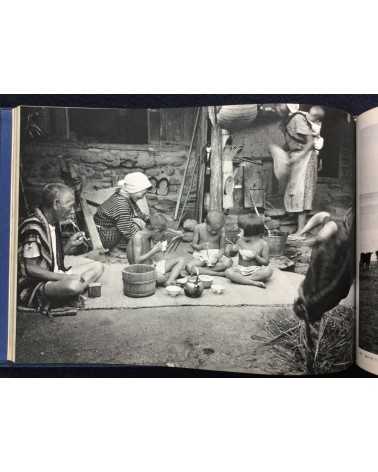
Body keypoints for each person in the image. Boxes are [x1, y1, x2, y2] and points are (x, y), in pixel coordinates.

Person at [18, 183, 104, 315]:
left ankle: (66, 292)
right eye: (70, 205)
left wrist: (69, 245)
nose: (73, 210)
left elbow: (51, 258)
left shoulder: (53, 223)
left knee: (98, 266)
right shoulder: (33, 227)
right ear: (56, 204)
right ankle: (67, 293)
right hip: (34, 284)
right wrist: (62, 278)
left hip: (54, 273)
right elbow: (31, 268)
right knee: (72, 285)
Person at [280, 106, 325, 235]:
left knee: (302, 192)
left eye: (279, 105)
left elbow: (310, 142)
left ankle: (301, 230)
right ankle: (299, 226)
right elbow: (294, 140)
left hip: (305, 157)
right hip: (299, 156)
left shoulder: (298, 118)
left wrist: (299, 155)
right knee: (296, 191)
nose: (276, 107)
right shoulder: (292, 119)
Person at [94, 172, 152, 255]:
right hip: (104, 234)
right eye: (143, 193)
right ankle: (114, 248)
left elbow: (138, 212)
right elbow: (128, 229)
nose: (143, 196)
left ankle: (121, 246)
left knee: (138, 223)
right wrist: (143, 241)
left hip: (110, 227)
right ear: (134, 189)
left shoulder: (126, 196)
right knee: (136, 227)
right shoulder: (121, 203)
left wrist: (148, 219)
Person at [127, 213, 186, 287]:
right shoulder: (138, 238)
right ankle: (170, 278)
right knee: (162, 278)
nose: (162, 236)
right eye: (161, 233)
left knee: (181, 260)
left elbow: (164, 228)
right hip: (142, 271)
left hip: (152, 266)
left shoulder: (148, 232)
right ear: (156, 231)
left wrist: (176, 233)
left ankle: (169, 281)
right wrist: (154, 251)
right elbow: (137, 260)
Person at [225, 215, 273, 288]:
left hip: (255, 270)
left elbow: (266, 262)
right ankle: (253, 282)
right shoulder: (240, 241)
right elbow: (231, 254)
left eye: (240, 230)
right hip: (240, 269)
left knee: (268, 271)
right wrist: (233, 250)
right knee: (228, 272)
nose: (238, 232)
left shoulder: (263, 244)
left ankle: (242, 280)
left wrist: (256, 257)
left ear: (250, 232)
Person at [186, 211, 233, 276]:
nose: (214, 232)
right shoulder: (198, 228)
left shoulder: (222, 230)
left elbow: (222, 248)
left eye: (217, 230)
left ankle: (203, 271)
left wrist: (218, 256)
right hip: (201, 255)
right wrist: (199, 247)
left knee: (229, 262)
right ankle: (217, 273)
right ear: (205, 222)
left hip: (215, 255)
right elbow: (194, 244)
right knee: (189, 266)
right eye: (212, 229)